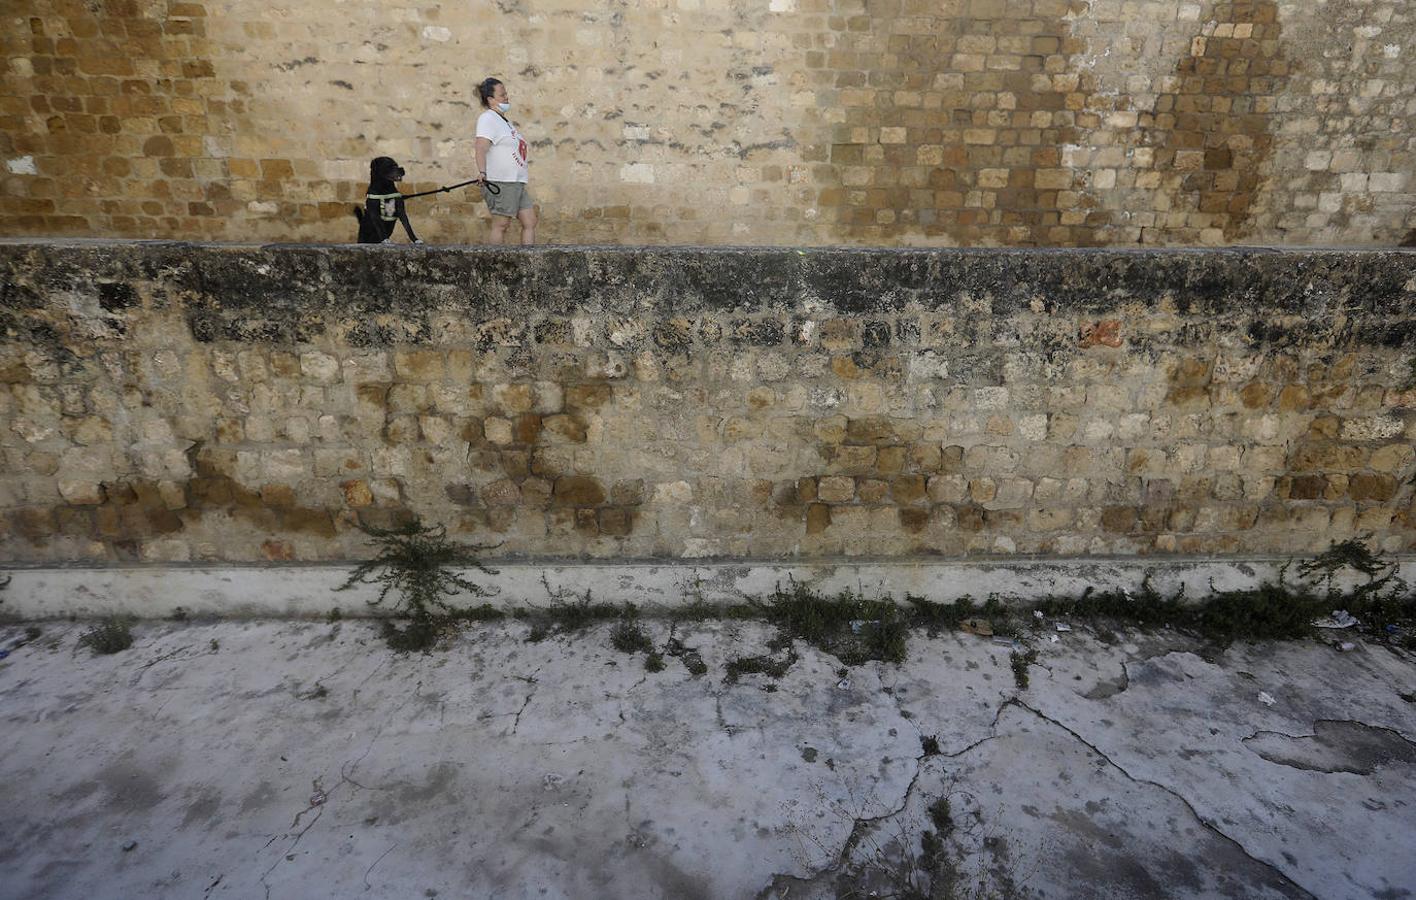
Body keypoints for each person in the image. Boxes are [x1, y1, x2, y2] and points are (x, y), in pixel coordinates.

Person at [474, 77, 536, 245]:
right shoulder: (488, 118)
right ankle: (495, 266)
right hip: (502, 181)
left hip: (516, 181)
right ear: (490, 99)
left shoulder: (504, 121)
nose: (506, 97)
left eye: (506, 93)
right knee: (501, 224)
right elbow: (480, 147)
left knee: (529, 221)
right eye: (502, 95)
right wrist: (482, 172)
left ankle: (529, 264)